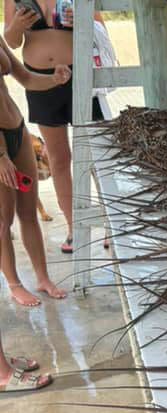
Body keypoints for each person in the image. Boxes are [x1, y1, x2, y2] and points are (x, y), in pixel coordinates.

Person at [4, 0, 106, 254]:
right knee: (59, 158)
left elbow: (100, 28)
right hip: (39, 81)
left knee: (97, 155)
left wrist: (82, 23)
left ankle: (110, 227)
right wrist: (17, 25)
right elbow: (12, 41)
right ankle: (75, 228)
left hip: (81, 75)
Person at [0, 33, 68, 313]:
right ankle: (14, 283)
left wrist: (54, 79)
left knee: (28, 211)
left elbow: (25, 77)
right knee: (3, 220)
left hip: (16, 128)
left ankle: (42, 277)